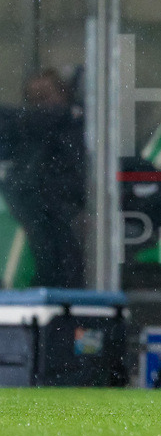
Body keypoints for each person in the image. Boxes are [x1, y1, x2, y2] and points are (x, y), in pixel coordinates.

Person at [0, 69, 86, 288]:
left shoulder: (76, 127)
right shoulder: (21, 129)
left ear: (64, 95)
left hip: (65, 203)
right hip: (26, 197)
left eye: (45, 96)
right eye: (33, 99)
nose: (39, 105)